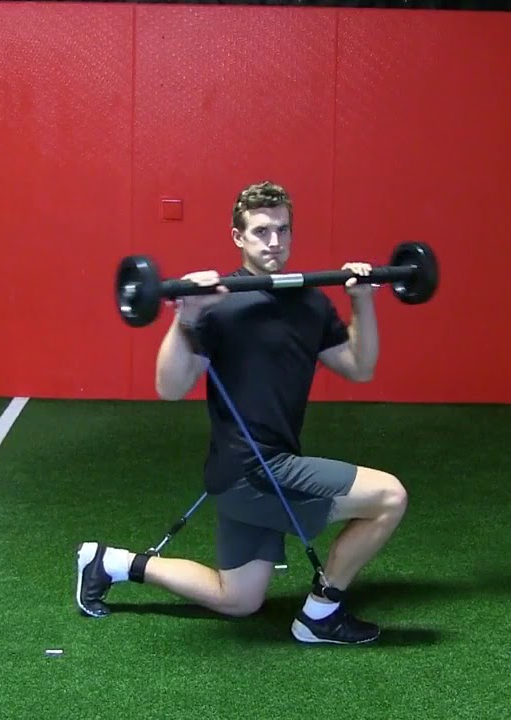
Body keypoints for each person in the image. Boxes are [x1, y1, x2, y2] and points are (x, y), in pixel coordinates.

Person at [76, 180, 409, 644]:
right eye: (261, 231)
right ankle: (321, 613)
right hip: (253, 470)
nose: (274, 241)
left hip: (255, 471)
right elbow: (170, 388)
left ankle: (110, 563)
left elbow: (359, 366)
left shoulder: (311, 302)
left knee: (239, 599)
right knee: (390, 496)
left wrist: (362, 300)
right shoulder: (219, 306)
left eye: (282, 230)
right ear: (238, 237)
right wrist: (187, 315)